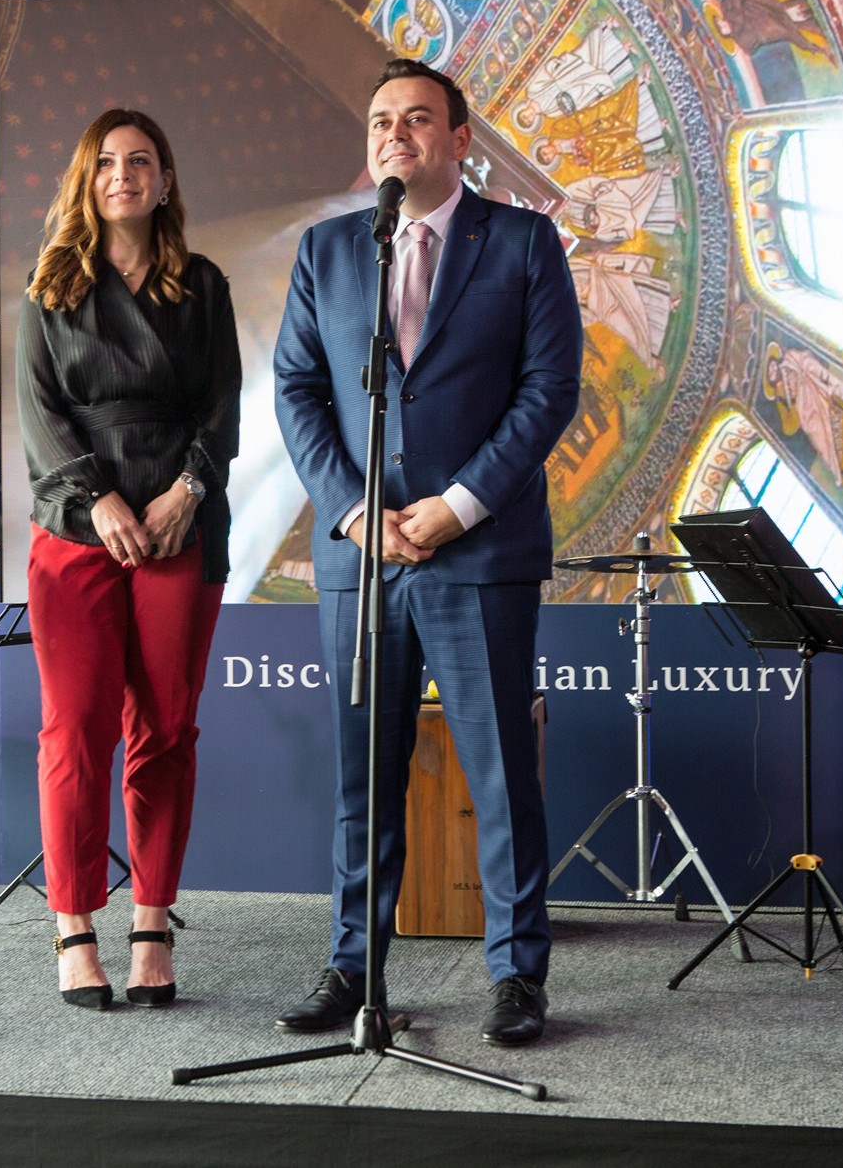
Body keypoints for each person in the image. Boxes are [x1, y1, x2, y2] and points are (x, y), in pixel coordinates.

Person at [273, 58, 582, 1047]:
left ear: (458, 139)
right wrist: (353, 511)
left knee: (500, 777)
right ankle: (352, 965)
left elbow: (548, 389)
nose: (393, 135)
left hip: (478, 555)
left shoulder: (522, 241)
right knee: (364, 778)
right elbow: (297, 389)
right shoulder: (329, 249)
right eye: (379, 122)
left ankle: (516, 974)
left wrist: (455, 507)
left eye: (415, 119)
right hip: (363, 561)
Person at [18, 108, 241, 1010]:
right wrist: (96, 497)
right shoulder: (48, 287)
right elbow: (40, 414)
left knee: (165, 730)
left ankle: (153, 924)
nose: (123, 174)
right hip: (78, 528)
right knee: (75, 731)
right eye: (106, 161)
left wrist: (187, 490)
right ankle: (74, 928)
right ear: (87, 178)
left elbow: (223, 405)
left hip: (179, 525)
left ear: (164, 179)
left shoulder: (205, 285)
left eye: (140, 160)